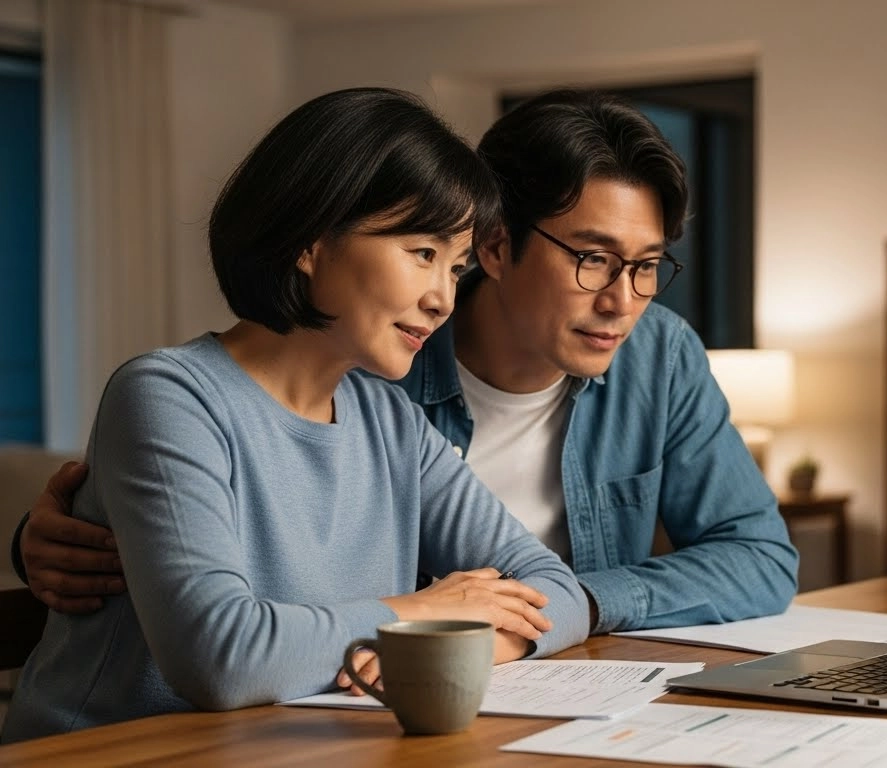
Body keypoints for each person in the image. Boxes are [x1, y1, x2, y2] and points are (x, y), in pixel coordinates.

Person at [11, 89, 798, 640]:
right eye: (593, 259)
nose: (625, 299)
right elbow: (221, 567)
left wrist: (557, 610)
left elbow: (759, 557)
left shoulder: (656, 354)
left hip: (514, 667)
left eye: (649, 264)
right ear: (494, 244)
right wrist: (55, 536)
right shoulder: (364, 368)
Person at [1, 87, 588, 744]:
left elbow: (557, 592)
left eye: (454, 269)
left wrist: (477, 641)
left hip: (296, 747)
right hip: (108, 755)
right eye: (422, 253)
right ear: (311, 240)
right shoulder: (168, 396)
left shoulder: (388, 421)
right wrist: (423, 614)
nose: (441, 299)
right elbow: (222, 658)